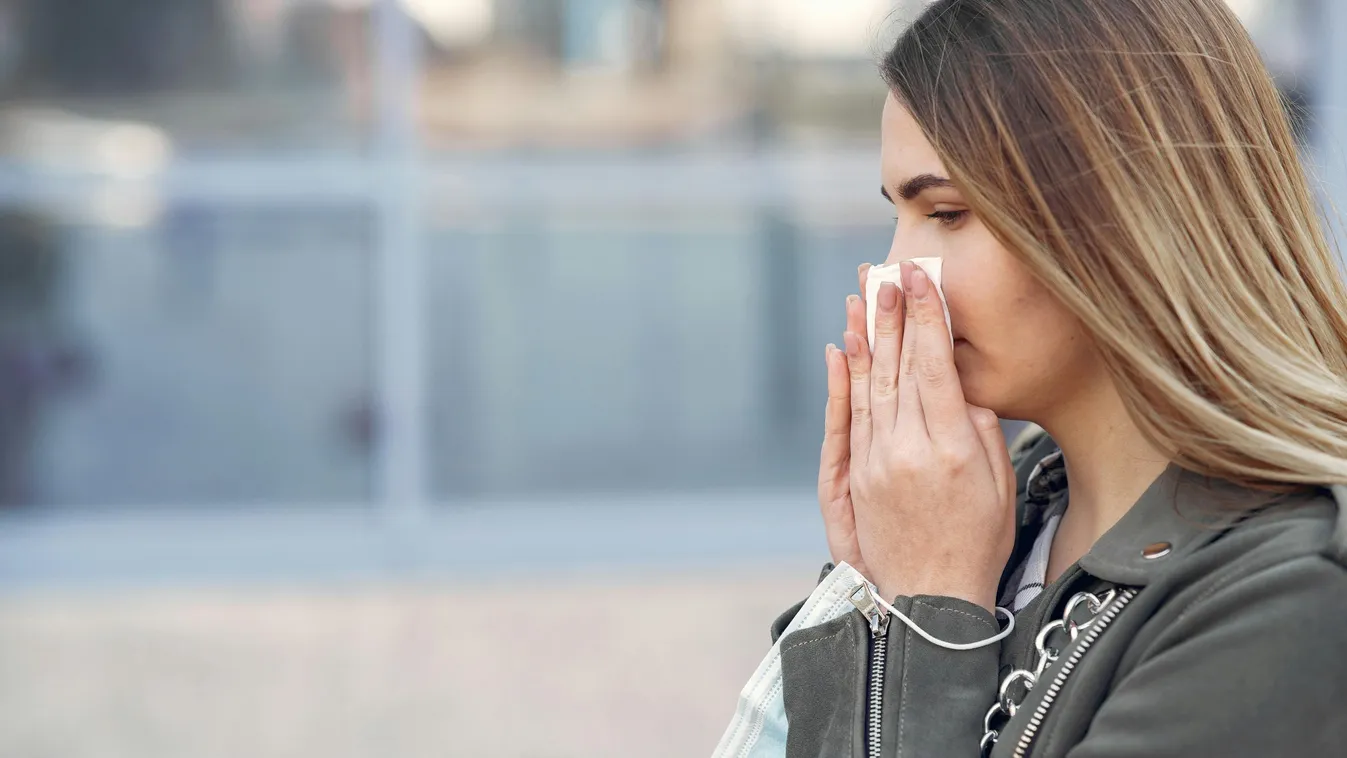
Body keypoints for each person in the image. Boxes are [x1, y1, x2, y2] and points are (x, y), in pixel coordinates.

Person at [772, 0, 1347, 756]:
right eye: (896, 216)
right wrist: (872, 586)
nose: (890, 275)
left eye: (946, 213)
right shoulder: (988, 516)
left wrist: (927, 610)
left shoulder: (1292, 595)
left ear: (1127, 218)